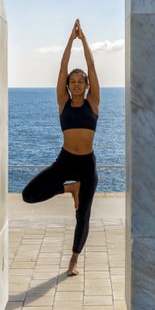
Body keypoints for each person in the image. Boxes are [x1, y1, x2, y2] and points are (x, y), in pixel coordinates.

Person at [21, 18, 100, 276]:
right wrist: (70, 41)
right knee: (29, 194)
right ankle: (70, 188)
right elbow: (63, 65)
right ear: (68, 86)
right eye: (73, 81)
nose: (77, 84)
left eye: (81, 81)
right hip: (65, 160)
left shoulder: (93, 103)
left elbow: (91, 65)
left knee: (83, 215)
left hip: (86, 163)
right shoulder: (62, 102)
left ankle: (74, 260)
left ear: (87, 86)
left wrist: (84, 40)